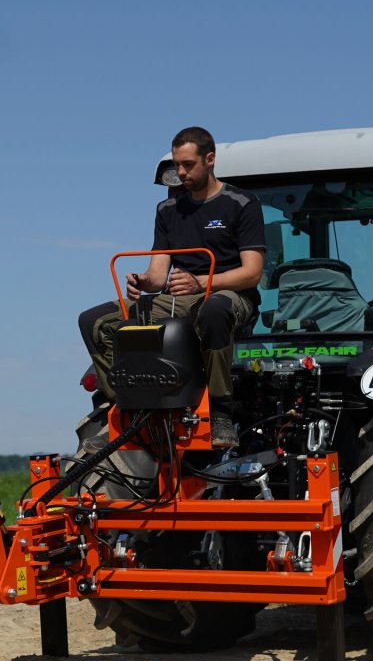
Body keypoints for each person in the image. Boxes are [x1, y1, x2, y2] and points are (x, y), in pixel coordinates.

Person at [78, 126, 265, 448]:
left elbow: (252, 273)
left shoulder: (241, 203)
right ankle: (124, 406)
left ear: (210, 160)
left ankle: (221, 413)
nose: (181, 172)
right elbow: (157, 274)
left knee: (214, 310)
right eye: (177, 165)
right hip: (178, 297)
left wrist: (202, 281)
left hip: (231, 296)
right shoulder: (167, 211)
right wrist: (142, 282)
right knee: (94, 321)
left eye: (188, 164)